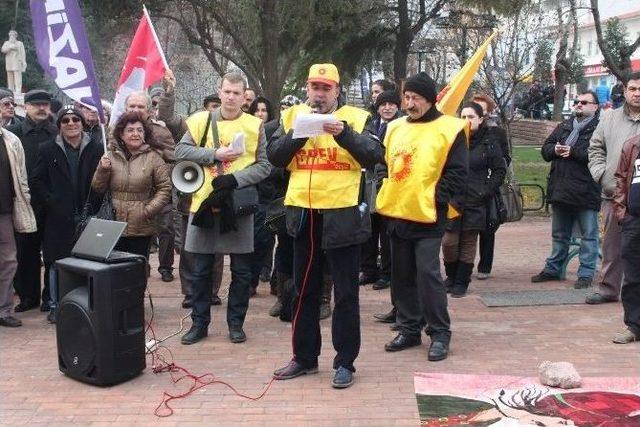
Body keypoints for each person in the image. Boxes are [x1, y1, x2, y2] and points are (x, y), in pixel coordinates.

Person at [268, 63, 382, 389]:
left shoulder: (357, 118)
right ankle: (304, 358)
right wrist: (299, 133)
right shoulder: (292, 117)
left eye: (325, 88)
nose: (319, 94)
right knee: (303, 291)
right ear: (307, 89)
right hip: (304, 215)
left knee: (345, 293)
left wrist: (342, 133)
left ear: (336, 90)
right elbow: (274, 156)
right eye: (314, 88)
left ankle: (345, 362)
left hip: (342, 214)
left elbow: (374, 153)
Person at [376, 72, 468, 361]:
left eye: (416, 98)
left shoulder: (450, 129)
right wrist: (384, 181)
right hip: (397, 211)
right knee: (401, 273)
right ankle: (409, 328)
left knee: (427, 274)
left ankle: (440, 332)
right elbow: (383, 162)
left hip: (429, 215)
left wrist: (436, 197)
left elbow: (457, 172)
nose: (409, 103)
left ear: (430, 99)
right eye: (407, 97)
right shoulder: (394, 128)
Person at [176, 72, 271, 345]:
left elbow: (264, 165)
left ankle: (236, 324)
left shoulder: (255, 125)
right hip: (204, 202)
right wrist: (213, 155)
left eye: (236, 93)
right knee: (201, 269)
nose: (230, 97)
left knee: (241, 271)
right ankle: (199, 324)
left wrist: (235, 180)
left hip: (238, 204)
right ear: (219, 92)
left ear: (244, 96)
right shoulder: (199, 120)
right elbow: (180, 152)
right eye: (227, 91)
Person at [32, 106, 104, 323]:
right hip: (58, 217)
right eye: (65, 120)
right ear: (59, 125)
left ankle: (86, 305)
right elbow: (36, 181)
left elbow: (102, 182)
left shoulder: (97, 148)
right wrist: (52, 201)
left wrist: (95, 203)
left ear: (82, 123)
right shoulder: (47, 149)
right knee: (56, 262)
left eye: (76, 119)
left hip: (88, 213)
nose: (71, 123)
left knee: (87, 263)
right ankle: (55, 305)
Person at [531, 91, 601, 289]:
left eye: (584, 102)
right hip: (561, 189)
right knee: (559, 234)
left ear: (595, 106)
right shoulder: (565, 126)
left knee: (589, 235)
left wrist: (574, 152)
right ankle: (553, 269)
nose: (579, 105)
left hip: (586, 190)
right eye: (577, 102)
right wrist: (555, 150)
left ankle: (586, 273)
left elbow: (599, 154)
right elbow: (546, 149)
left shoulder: (600, 128)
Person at [441, 102, 506, 298]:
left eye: (470, 117)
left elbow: (499, 170)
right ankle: (451, 277)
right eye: (462, 117)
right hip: (453, 199)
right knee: (449, 242)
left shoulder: (489, 141)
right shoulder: (452, 140)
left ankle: (462, 281)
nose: (466, 121)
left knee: (469, 242)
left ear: (480, 118)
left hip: (476, 200)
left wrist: (485, 191)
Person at [587, 72, 640, 304]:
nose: (637, 94)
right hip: (614, 195)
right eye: (633, 89)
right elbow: (595, 148)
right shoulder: (609, 118)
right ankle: (608, 289)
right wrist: (602, 175)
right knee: (611, 246)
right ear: (625, 90)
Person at [92, 111, 171, 260]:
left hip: (141, 226)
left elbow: (165, 188)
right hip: (112, 223)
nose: (135, 134)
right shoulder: (109, 156)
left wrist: (147, 211)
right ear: (121, 134)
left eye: (139, 130)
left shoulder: (153, 158)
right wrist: (102, 170)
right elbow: (98, 188)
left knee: (137, 269)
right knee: (113, 271)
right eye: (130, 130)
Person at [7, 89, 57, 313]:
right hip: (24, 201)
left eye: (45, 104)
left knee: (53, 251)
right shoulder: (12, 134)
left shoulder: (58, 132)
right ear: (25, 107)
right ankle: (28, 296)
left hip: (52, 201)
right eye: (36, 104)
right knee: (25, 251)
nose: (41, 108)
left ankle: (50, 297)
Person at [119, 89, 177, 281]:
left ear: (149, 110)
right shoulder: (116, 131)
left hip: (158, 191)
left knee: (166, 228)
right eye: (132, 106)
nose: (136, 109)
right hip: (129, 197)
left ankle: (166, 266)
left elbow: (174, 158)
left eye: (140, 106)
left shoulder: (161, 130)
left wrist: (155, 165)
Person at [362, 90, 402, 290]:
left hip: (389, 184)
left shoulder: (401, 126)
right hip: (369, 184)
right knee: (369, 229)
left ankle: (387, 273)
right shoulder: (370, 126)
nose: (387, 108)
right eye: (383, 104)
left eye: (391, 104)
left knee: (387, 233)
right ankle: (369, 270)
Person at [470, 93, 510, 280]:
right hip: (468, 186)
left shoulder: (497, 132)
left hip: (487, 186)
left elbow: (505, 159)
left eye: (482, 110)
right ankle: (465, 263)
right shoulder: (463, 129)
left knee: (488, 227)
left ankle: (485, 265)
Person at [0, 126, 36, 327]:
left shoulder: (11, 140)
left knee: (8, 261)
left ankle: (3, 310)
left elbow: (22, 178)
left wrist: (25, 201)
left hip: (5, 211)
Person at [247, 96, 278, 297]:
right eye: (257, 110)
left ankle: (278, 282)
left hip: (277, 191)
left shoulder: (275, 132)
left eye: (264, 110)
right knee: (260, 238)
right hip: (256, 193)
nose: (260, 114)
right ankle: (251, 280)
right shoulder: (247, 132)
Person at [612, 129, 640, 344]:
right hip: (634, 220)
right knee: (632, 277)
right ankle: (634, 326)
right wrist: (623, 213)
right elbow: (621, 178)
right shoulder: (632, 145)